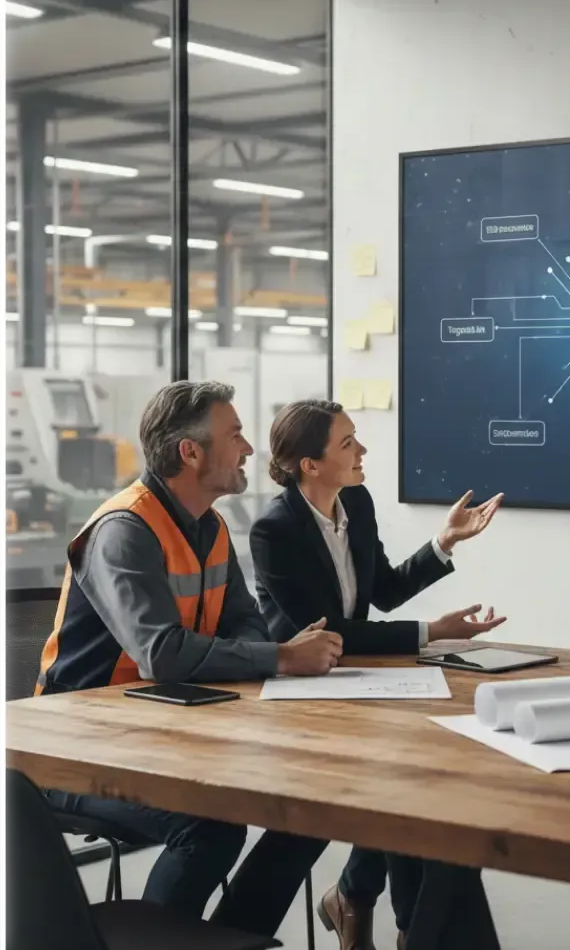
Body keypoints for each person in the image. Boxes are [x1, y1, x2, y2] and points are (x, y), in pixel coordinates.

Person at [36, 381, 339, 936]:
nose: (249, 449)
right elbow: (163, 655)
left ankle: (226, 939)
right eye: (235, 435)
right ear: (190, 452)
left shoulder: (211, 527)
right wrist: (281, 658)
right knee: (209, 828)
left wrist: (267, 652)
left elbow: (245, 622)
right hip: (74, 751)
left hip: (165, 732)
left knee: (312, 806)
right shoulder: (123, 531)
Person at [249, 398, 506, 950]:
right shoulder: (274, 530)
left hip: (358, 681)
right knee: (403, 783)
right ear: (310, 464)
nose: (362, 450)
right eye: (348, 443)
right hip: (300, 696)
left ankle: (361, 902)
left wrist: (444, 542)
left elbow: (384, 592)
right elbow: (329, 631)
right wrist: (432, 631)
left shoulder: (357, 503)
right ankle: (400, 920)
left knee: (408, 781)